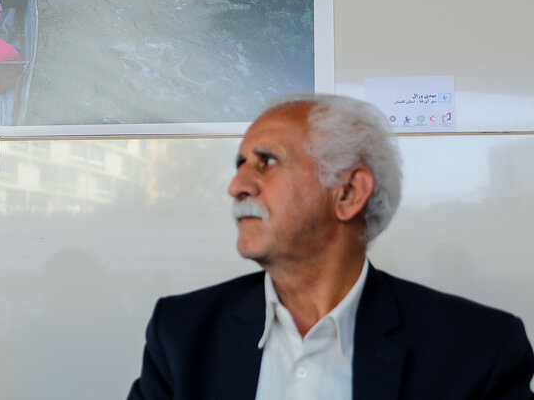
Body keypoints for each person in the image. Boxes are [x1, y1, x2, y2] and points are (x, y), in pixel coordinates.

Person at [127, 94, 534, 400]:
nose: (237, 186)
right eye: (240, 165)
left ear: (348, 193)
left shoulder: (478, 351)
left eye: (266, 162)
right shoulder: (181, 334)